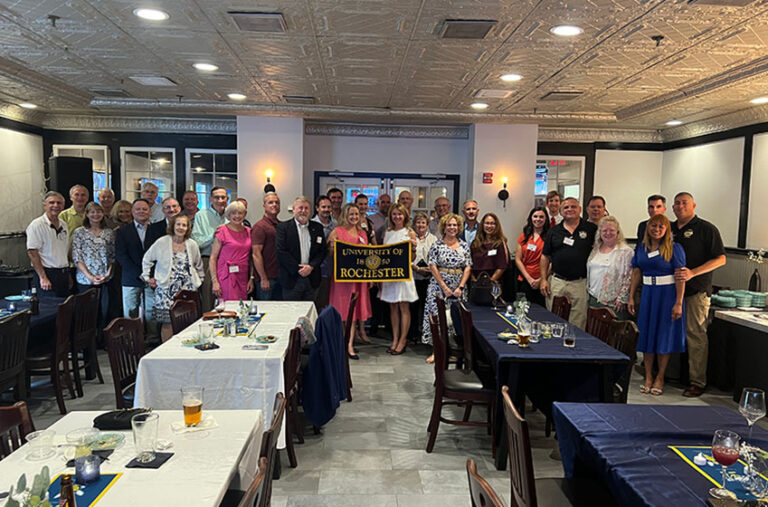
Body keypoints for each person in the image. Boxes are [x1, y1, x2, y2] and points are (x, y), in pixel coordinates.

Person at [671, 192, 726, 398]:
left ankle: (697, 381)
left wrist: (693, 272)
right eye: (676, 203)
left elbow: (721, 259)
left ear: (693, 205)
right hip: (671, 291)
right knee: (672, 332)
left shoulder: (706, 229)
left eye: (684, 202)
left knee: (695, 335)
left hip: (696, 291)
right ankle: (671, 374)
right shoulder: (669, 228)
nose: (680, 206)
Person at [628, 214, 686, 396]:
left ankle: (660, 376)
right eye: (654, 226)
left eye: (662, 226)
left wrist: (678, 302)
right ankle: (648, 376)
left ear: (667, 229)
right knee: (647, 335)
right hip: (648, 295)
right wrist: (630, 296)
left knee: (663, 336)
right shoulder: (641, 248)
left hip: (667, 295)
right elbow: (637, 272)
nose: (657, 229)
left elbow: (680, 276)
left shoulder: (674, 248)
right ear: (648, 227)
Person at [142, 214, 204, 342]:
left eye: (184, 225)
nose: (181, 227)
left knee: (186, 322)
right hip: (166, 289)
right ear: (173, 226)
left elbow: (198, 265)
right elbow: (147, 259)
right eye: (178, 224)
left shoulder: (192, 244)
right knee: (168, 323)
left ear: (188, 228)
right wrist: (147, 277)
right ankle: (166, 353)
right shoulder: (162, 242)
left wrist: (199, 281)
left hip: (187, 290)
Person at [539, 197, 597, 329]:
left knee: (578, 322)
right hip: (557, 282)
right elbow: (545, 257)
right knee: (554, 320)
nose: (569, 209)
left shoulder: (591, 229)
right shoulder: (553, 231)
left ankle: (575, 348)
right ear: (560, 211)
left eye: (573, 207)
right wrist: (543, 279)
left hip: (580, 283)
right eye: (566, 207)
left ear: (580, 209)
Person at [422, 213, 472, 364]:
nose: (452, 228)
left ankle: (454, 351)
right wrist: (444, 287)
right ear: (444, 227)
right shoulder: (437, 245)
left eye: (455, 225)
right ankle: (436, 351)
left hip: (458, 286)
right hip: (439, 286)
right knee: (437, 318)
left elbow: (468, 267)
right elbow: (432, 265)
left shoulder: (464, 245)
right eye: (449, 225)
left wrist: (461, 287)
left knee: (456, 320)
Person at [328, 203, 372, 359]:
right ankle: (339, 344)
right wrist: (334, 247)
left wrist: (370, 278)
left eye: (356, 214)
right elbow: (331, 254)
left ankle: (350, 345)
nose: (354, 217)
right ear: (345, 216)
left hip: (358, 280)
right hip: (341, 280)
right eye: (351, 214)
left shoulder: (363, 233)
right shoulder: (336, 232)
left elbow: (368, 256)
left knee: (353, 312)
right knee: (341, 311)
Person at [115, 199, 157, 342]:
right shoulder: (122, 232)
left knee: (151, 311)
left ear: (149, 211)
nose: (141, 212)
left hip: (152, 277)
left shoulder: (156, 230)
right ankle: (132, 340)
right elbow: (121, 255)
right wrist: (140, 273)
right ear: (132, 212)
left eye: (144, 209)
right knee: (131, 310)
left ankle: (152, 339)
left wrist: (149, 274)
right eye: (138, 209)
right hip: (131, 276)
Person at [379, 204, 418, 355]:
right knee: (392, 307)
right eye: (394, 214)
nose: (397, 217)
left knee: (404, 307)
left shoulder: (410, 232)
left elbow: (413, 258)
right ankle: (394, 339)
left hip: (403, 275)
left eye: (400, 214)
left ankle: (403, 339)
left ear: (405, 216)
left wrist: (413, 248)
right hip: (389, 275)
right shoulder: (387, 232)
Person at [71, 202, 115, 331]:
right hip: (85, 279)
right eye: (92, 212)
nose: (95, 214)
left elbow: (112, 256)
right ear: (87, 214)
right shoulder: (79, 232)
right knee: (86, 312)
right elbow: (77, 257)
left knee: (104, 311)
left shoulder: (109, 233)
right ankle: (87, 343)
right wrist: (90, 277)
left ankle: (102, 340)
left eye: (98, 211)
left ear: (103, 213)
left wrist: (107, 274)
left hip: (104, 278)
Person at [276, 196, 327, 301]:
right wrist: (298, 269)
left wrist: (311, 266)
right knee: (291, 313)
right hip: (291, 278)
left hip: (312, 278)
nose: (303, 211)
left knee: (310, 313)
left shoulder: (317, 228)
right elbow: (281, 251)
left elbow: (322, 251)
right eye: (300, 208)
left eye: (306, 208)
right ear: (294, 209)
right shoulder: (283, 228)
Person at [586, 216, 633, 320]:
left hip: (614, 302)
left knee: (612, 333)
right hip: (593, 297)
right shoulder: (596, 249)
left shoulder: (626, 251)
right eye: (604, 230)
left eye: (611, 230)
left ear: (617, 232)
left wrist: (622, 298)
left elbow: (629, 277)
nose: (608, 233)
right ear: (600, 232)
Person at [26, 191, 71, 297]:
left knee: (63, 309)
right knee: (49, 310)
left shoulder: (63, 225)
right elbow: (32, 253)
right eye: (52, 202)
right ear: (44, 205)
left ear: (63, 205)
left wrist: (67, 275)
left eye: (59, 203)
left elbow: (63, 252)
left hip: (63, 274)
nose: (55, 205)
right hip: (47, 274)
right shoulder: (36, 225)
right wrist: (43, 277)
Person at [191, 186, 229, 311]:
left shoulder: (230, 215)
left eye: (223, 197)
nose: (220, 200)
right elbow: (197, 242)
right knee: (209, 295)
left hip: (227, 261)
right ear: (210, 199)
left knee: (227, 295)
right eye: (216, 197)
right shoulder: (201, 215)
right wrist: (213, 236)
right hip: (208, 259)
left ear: (227, 199)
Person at [210, 201, 254, 301]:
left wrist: (251, 278)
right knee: (227, 307)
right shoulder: (222, 231)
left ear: (245, 214)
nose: (237, 216)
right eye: (233, 213)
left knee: (242, 306)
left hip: (243, 276)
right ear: (228, 215)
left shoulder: (249, 231)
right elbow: (213, 258)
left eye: (240, 213)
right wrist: (215, 281)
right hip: (225, 275)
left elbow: (251, 258)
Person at [409, 211, 437, 342]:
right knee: (413, 308)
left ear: (427, 224)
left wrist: (428, 269)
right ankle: (413, 334)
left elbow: (435, 258)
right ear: (414, 224)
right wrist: (416, 268)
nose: (420, 225)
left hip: (428, 278)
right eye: (418, 223)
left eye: (423, 223)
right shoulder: (410, 238)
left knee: (426, 308)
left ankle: (426, 334)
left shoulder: (434, 239)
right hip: (413, 277)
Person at [515, 207, 549, 306]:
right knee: (523, 308)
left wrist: (542, 279)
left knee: (541, 311)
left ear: (546, 219)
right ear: (531, 218)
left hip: (543, 281)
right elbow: (518, 259)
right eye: (535, 216)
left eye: (541, 217)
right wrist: (529, 279)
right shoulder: (524, 236)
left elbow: (551, 262)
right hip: (525, 279)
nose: (538, 219)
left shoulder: (550, 236)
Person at [252, 192, 281, 300]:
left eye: (277, 202)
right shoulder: (260, 227)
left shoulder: (280, 225)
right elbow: (256, 254)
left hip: (279, 277)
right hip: (266, 279)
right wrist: (263, 278)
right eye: (270, 202)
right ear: (264, 206)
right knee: (266, 312)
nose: (274, 205)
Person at [312, 195, 336, 309]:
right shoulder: (310, 225)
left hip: (333, 270)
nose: (326, 209)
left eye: (329, 207)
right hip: (317, 271)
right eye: (323, 207)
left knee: (331, 303)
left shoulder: (336, 225)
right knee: (318, 303)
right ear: (317, 208)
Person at [471, 212, 508, 284]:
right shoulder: (475, 243)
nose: (489, 226)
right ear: (482, 225)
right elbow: (469, 264)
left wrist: (490, 282)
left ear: (496, 226)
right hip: (476, 282)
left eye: (492, 223)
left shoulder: (499, 243)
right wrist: (474, 280)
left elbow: (502, 267)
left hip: (493, 282)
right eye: (487, 223)